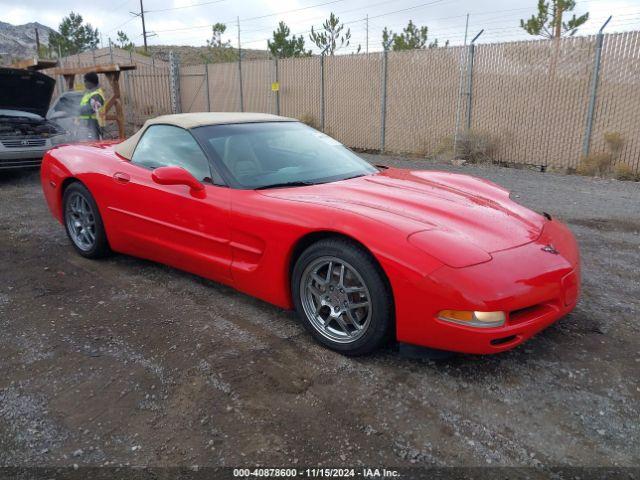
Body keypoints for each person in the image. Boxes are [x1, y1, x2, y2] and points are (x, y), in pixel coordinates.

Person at [78, 72, 105, 140]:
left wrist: (75, 110)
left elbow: (90, 109)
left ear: (90, 82)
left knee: (94, 146)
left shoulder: (96, 95)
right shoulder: (89, 93)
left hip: (94, 125)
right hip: (88, 124)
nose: (84, 83)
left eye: (85, 81)